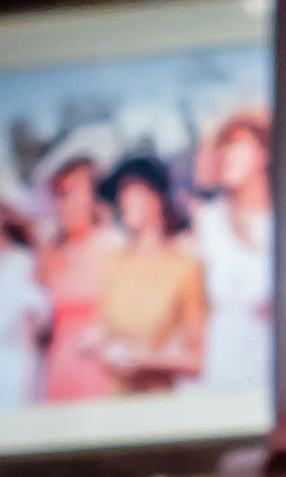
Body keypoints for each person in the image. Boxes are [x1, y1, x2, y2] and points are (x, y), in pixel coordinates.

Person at [95, 150, 206, 389]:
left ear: (158, 198)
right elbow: (104, 338)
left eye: (135, 191)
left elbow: (195, 360)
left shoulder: (185, 267)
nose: (125, 200)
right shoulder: (112, 264)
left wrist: (145, 362)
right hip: (113, 402)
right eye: (122, 192)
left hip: (158, 405)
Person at [22, 149, 120, 402]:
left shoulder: (113, 245)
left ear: (92, 194)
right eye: (61, 193)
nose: (68, 203)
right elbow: (36, 318)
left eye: (76, 191)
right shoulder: (51, 253)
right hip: (57, 369)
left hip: (101, 368)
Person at [193, 109, 274, 401]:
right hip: (223, 374)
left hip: (273, 373)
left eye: (239, 143)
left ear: (263, 153)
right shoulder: (208, 222)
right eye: (224, 145)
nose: (229, 154)